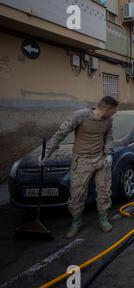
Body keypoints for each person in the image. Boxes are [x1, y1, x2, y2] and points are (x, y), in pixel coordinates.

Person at [40, 96, 118, 239]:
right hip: (81, 160)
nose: (115, 113)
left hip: (101, 160)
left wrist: (109, 154)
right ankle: (76, 222)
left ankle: (103, 218)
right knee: (77, 194)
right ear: (108, 109)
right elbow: (60, 134)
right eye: (114, 110)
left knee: (104, 191)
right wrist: (46, 153)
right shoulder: (80, 115)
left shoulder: (108, 120)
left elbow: (108, 137)